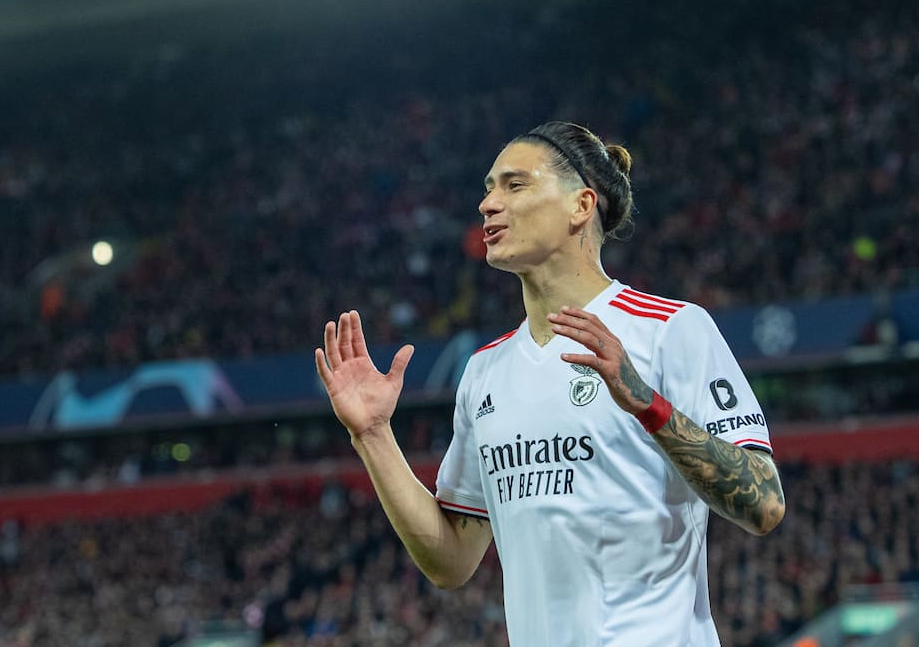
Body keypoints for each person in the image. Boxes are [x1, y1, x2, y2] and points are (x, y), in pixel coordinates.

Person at [315, 121, 785, 646]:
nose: (488, 204)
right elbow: (451, 561)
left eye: (514, 185)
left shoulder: (671, 330)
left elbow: (764, 502)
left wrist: (647, 405)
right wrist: (373, 435)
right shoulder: (485, 372)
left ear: (580, 206)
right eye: (489, 187)